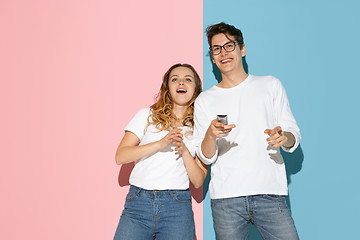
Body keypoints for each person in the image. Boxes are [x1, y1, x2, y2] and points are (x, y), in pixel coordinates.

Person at [194, 22, 301, 240]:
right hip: (226, 199)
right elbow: (205, 156)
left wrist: (284, 137)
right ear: (213, 57)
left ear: (242, 49)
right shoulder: (205, 100)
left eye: (229, 46)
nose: (223, 53)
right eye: (216, 49)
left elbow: (292, 134)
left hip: (269, 193)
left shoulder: (270, 85)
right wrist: (210, 136)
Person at [113, 63, 207, 240]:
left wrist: (185, 151)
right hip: (138, 202)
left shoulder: (200, 127)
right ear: (167, 87)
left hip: (177, 207)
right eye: (175, 79)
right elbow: (121, 156)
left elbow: (198, 180)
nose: (181, 83)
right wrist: (159, 144)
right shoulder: (147, 115)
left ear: (195, 89)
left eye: (188, 80)